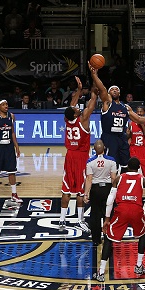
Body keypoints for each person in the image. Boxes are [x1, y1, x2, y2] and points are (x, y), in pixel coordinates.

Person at [89, 62, 145, 169]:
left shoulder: (126, 107)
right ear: (108, 94)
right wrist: (94, 75)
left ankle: (123, 183)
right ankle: (111, 185)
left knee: (125, 164)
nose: (114, 90)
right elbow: (102, 88)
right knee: (111, 164)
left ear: (119, 93)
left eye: (116, 89)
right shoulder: (107, 103)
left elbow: (139, 119)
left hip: (121, 137)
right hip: (109, 137)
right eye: (112, 90)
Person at [93, 157, 145, 282]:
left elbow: (110, 200)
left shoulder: (119, 178)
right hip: (137, 210)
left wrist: (107, 218)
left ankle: (101, 272)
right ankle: (138, 266)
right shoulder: (142, 179)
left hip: (122, 210)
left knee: (109, 238)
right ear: (139, 168)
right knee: (143, 233)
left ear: (127, 167)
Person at [59, 77, 98, 232]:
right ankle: (80, 220)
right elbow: (92, 104)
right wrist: (94, 90)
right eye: (76, 109)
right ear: (75, 115)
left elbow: (71, 105)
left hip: (69, 156)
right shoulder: (83, 120)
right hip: (81, 157)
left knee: (67, 189)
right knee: (81, 191)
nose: (77, 108)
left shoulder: (67, 119)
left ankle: (62, 220)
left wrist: (80, 89)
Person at [84, 140, 117, 246]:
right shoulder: (111, 160)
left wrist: (86, 194)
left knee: (95, 215)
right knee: (108, 213)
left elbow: (89, 179)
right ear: (104, 148)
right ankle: (109, 237)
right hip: (107, 189)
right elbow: (113, 178)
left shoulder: (90, 162)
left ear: (94, 149)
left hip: (95, 190)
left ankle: (96, 239)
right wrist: (116, 192)